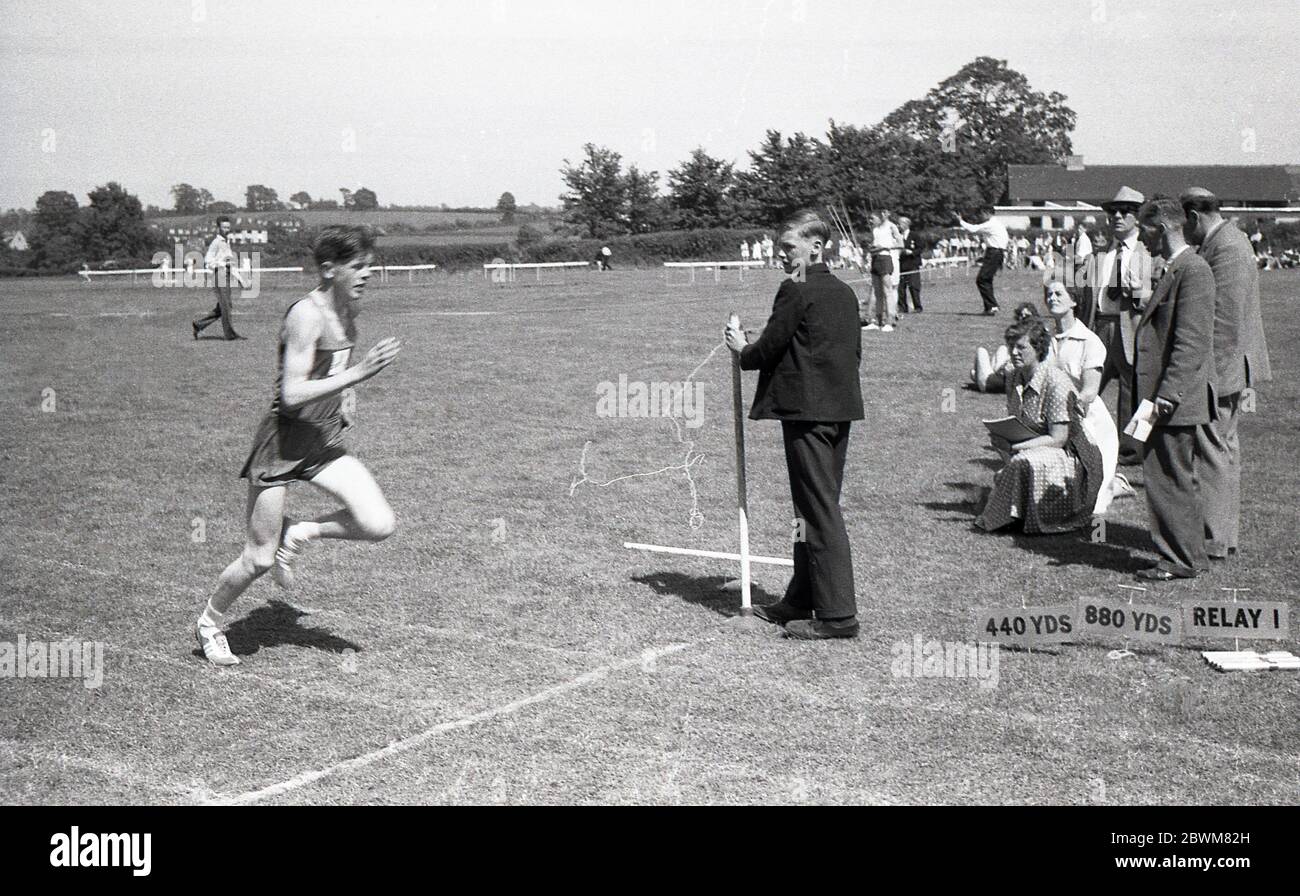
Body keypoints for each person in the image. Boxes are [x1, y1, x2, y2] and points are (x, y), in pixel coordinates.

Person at [194, 226, 401, 666]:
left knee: (378, 523)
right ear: (330, 269)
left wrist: (345, 397)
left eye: (369, 265)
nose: (367, 273)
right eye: (357, 266)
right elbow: (291, 393)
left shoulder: (349, 309)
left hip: (321, 440)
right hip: (282, 445)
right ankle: (210, 623)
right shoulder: (305, 314)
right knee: (259, 559)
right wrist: (361, 375)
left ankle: (300, 532)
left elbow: (336, 363)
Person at [725, 209, 864, 640]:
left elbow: (767, 349)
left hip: (809, 416)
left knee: (819, 512)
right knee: (809, 511)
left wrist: (742, 348)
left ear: (816, 247)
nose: (780, 256)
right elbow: (850, 354)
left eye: (788, 247)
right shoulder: (844, 292)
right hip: (835, 413)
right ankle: (800, 599)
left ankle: (838, 617)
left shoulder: (796, 288)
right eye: (779, 247)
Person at [1180, 187, 1272, 561]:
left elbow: (1224, 323)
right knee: (1223, 449)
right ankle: (1222, 538)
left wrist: (1204, 377)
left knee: (1213, 449)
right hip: (1228, 364)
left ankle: (1214, 540)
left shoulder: (1228, 248)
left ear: (1193, 217)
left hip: (1223, 367)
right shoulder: (1227, 242)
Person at [1131, 199, 1217, 581]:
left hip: (1171, 398)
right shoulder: (1176, 268)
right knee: (1174, 475)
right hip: (1165, 394)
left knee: (1170, 476)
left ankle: (1177, 560)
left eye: (1144, 230)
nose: (1141, 237)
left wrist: (1168, 393)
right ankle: (1187, 555)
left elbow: (1191, 341)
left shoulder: (1193, 270)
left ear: (1162, 227)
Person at [975, 318, 1102, 534]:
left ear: (1038, 349)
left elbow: (1059, 438)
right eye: (1011, 346)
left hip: (1071, 458)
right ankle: (1014, 511)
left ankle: (1006, 517)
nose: (1014, 352)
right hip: (1043, 449)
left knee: (1024, 459)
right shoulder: (1014, 376)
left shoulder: (1055, 382)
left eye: (1021, 347)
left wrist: (1015, 447)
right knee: (1007, 447)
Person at [1043, 278, 1123, 514]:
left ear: (1074, 300)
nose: (1052, 298)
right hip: (1052, 415)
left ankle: (1116, 483)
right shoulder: (1045, 339)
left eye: (1059, 293)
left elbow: (1090, 391)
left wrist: (1066, 408)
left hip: (1087, 422)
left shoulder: (1090, 341)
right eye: (1049, 294)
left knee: (1093, 505)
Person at [1088, 186, 1153, 467]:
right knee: (1088, 386)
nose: (1116, 216)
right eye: (1111, 211)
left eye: (1124, 212)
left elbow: (1161, 294)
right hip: (1100, 326)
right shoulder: (1102, 252)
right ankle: (1081, 439)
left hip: (1133, 327)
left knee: (1134, 391)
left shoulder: (1150, 251)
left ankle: (1132, 450)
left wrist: (1138, 293)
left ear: (1137, 217)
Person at [192, 216, 247, 340]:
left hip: (226, 275)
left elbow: (231, 264)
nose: (226, 229)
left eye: (228, 227)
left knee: (223, 306)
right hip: (219, 275)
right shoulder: (216, 243)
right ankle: (230, 335)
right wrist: (221, 264)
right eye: (224, 227)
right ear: (218, 228)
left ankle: (198, 325)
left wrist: (240, 279)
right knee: (226, 306)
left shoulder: (226, 242)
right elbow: (207, 261)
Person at [970, 302, 1040, 392]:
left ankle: (979, 377)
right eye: (1020, 315)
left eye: (1026, 316)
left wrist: (1007, 367)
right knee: (1003, 348)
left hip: (993, 383)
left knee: (981, 351)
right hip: (1002, 376)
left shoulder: (1033, 338)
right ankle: (980, 375)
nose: (1022, 318)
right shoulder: (1021, 334)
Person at [957, 205, 1009, 315]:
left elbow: (973, 229)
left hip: (994, 252)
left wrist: (960, 221)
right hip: (995, 252)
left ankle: (992, 305)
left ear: (987, 213)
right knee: (986, 279)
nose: (980, 216)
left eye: (981, 214)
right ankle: (989, 307)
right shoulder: (997, 223)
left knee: (982, 279)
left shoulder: (991, 224)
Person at [864, 211, 901, 331]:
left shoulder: (891, 226)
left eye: (872, 218)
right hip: (875, 259)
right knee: (876, 291)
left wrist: (884, 247)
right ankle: (877, 320)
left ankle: (889, 321)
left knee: (887, 290)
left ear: (880, 218)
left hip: (885, 259)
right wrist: (872, 248)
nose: (870, 221)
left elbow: (901, 244)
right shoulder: (875, 230)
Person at [896, 215, 923, 313]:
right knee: (900, 288)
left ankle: (918, 307)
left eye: (899, 224)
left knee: (914, 286)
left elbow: (920, 248)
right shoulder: (897, 236)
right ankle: (902, 307)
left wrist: (911, 252)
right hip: (901, 265)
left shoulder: (914, 235)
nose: (898, 226)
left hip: (912, 264)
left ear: (906, 224)